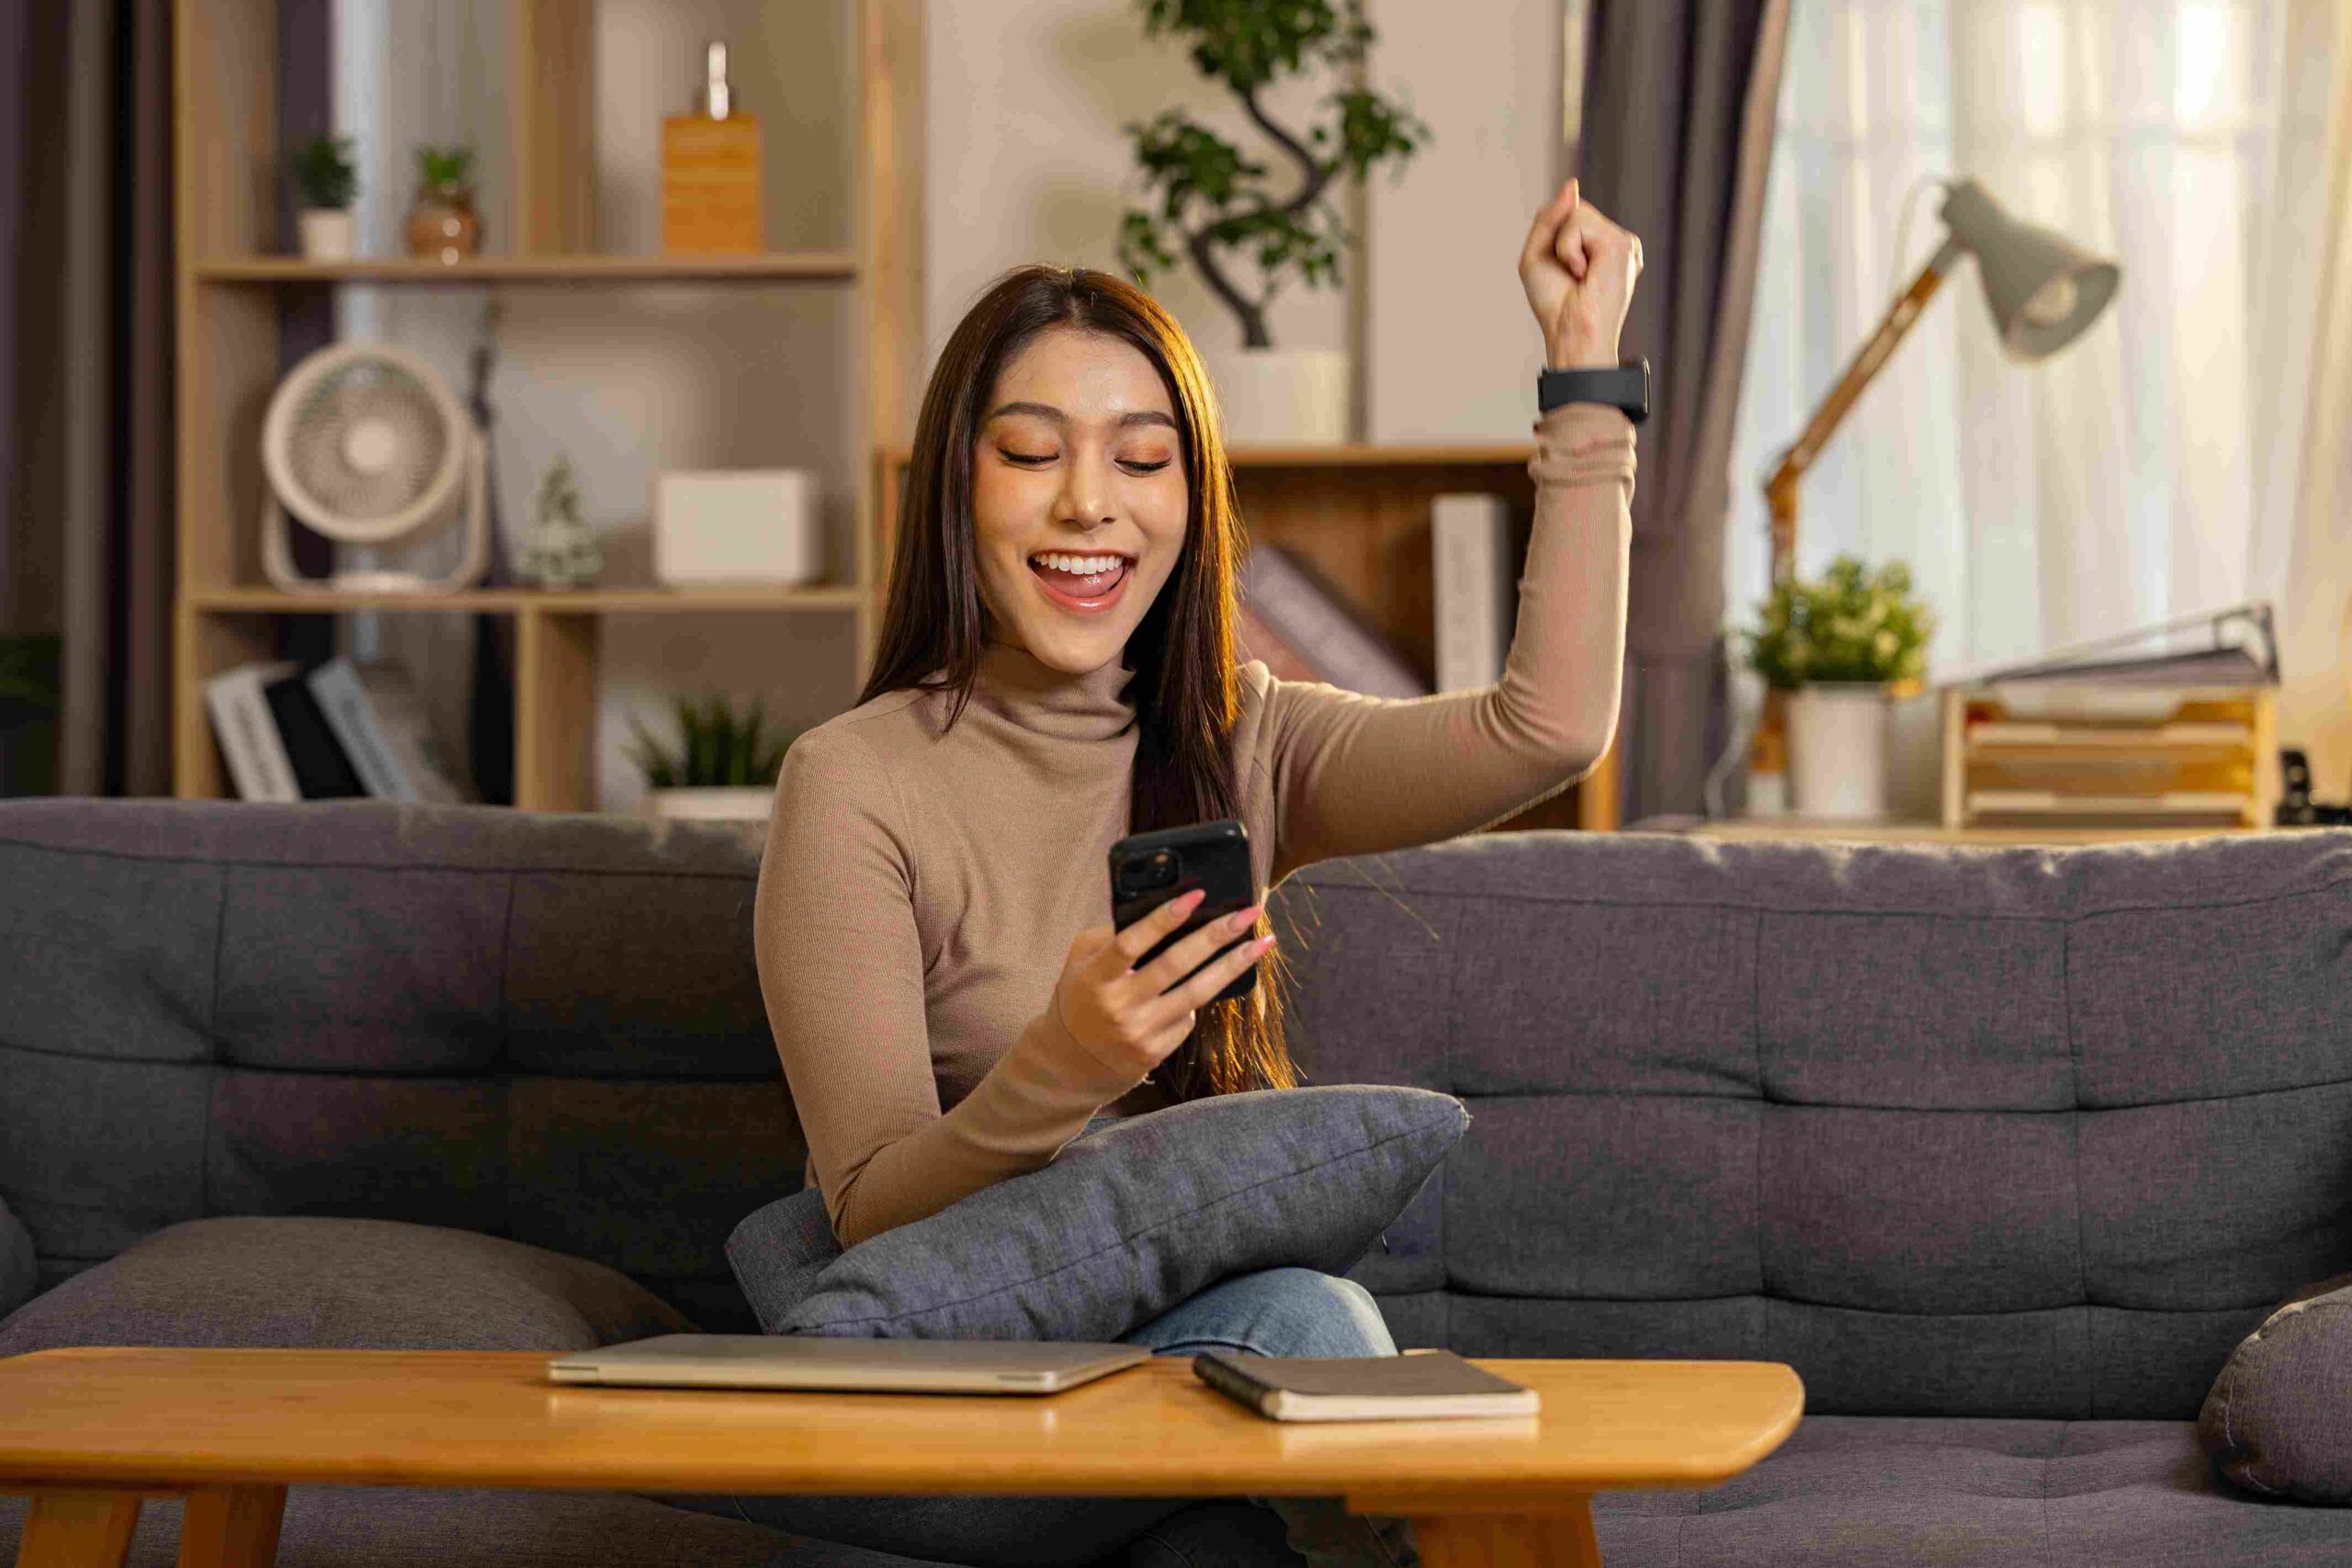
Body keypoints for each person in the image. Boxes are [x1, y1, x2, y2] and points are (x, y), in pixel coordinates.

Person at [693, 177, 1641, 1567]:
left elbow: (1544, 730)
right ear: (960, 483)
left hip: (1176, 1371)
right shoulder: (853, 784)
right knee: (1308, 1329)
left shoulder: (1250, 742)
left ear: (1192, 505)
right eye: (1032, 452)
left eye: (1143, 461)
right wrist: (1058, 1070)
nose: (1091, 506)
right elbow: (866, 1210)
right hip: (958, 1385)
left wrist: (1585, 372)